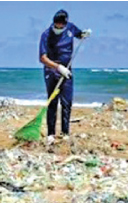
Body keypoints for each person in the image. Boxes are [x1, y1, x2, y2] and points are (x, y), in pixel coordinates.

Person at [39, 9, 91, 144]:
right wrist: (57, 67)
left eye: (62, 25)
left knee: (67, 102)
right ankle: (51, 133)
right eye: (57, 25)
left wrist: (84, 34)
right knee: (52, 101)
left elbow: (79, 34)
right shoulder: (46, 34)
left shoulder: (70, 28)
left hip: (67, 69)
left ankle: (65, 132)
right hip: (52, 70)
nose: (59, 27)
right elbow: (42, 58)